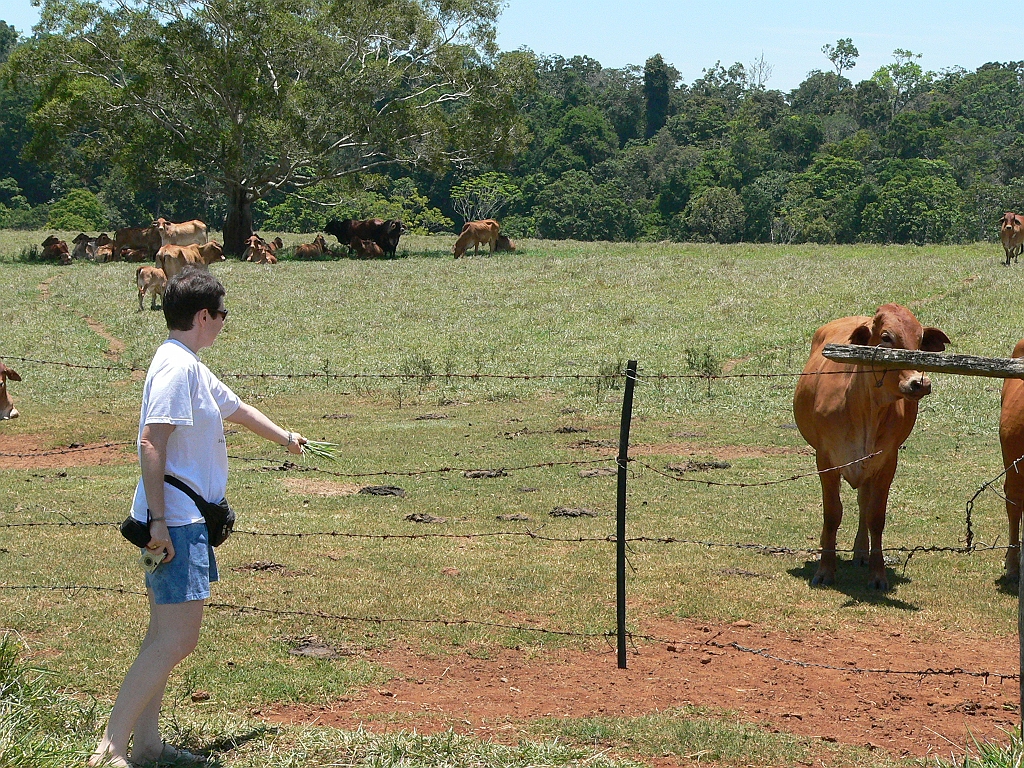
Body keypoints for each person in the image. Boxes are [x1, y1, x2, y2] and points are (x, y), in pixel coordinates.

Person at [90, 267, 306, 767]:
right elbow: (150, 440)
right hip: (177, 522)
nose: (226, 321)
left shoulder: (189, 363)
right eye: (222, 313)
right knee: (177, 639)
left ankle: (145, 746)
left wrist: (287, 438)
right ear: (203, 315)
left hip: (182, 519)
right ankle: (110, 748)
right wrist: (160, 524)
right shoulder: (175, 367)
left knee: (164, 638)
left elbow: (236, 408)